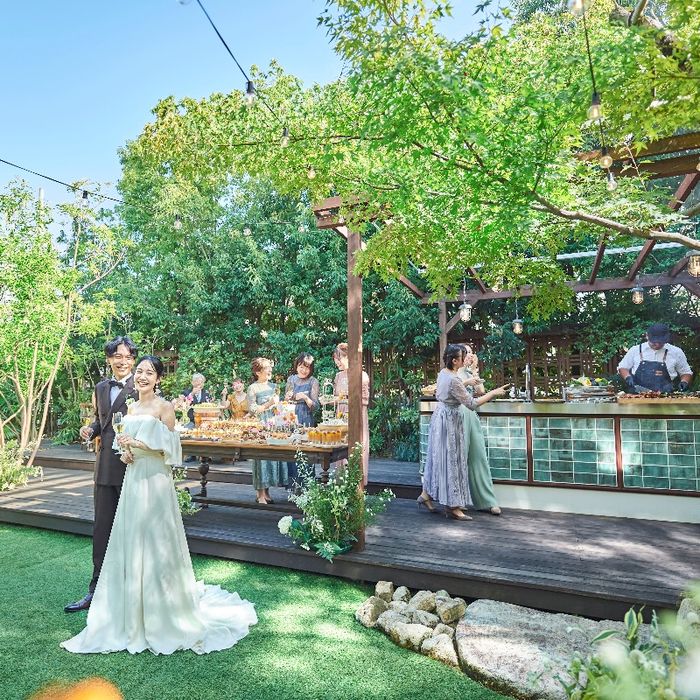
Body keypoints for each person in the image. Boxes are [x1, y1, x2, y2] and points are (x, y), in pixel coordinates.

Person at [61, 355, 257, 654]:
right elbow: (122, 445)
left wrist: (140, 445)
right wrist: (126, 453)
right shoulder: (130, 408)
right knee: (132, 537)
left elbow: (172, 450)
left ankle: (162, 608)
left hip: (155, 481)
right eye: (139, 371)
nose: (142, 376)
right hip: (133, 479)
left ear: (158, 379)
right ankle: (131, 605)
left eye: (149, 372)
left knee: (155, 539)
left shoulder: (165, 407)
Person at [65, 336, 139, 613]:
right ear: (109, 359)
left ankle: (133, 594)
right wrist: (91, 429)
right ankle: (95, 591)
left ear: (133, 360)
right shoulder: (100, 387)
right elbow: (102, 420)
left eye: (128, 357)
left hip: (133, 467)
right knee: (102, 530)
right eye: (117, 356)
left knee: (133, 530)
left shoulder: (142, 385)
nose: (123, 361)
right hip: (105, 467)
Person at [420, 344, 508, 521]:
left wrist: (470, 377)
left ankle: (429, 496)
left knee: (441, 460)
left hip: (441, 419)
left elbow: (452, 387)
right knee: (454, 462)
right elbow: (472, 403)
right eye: (463, 355)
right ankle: (453, 507)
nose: (466, 357)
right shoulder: (453, 379)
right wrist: (494, 393)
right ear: (455, 360)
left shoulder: (443, 373)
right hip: (451, 421)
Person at [458, 344, 501, 516]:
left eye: (471, 352)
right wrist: (467, 379)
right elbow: (449, 388)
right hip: (457, 416)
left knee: (479, 457)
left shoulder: (469, 373)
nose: (469, 355)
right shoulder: (453, 372)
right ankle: (455, 502)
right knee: (458, 459)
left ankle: (487, 501)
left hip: (471, 415)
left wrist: (475, 370)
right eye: (466, 352)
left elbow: (481, 391)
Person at [247, 357, 287, 504]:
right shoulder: (253, 388)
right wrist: (268, 404)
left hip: (273, 424)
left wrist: (280, 406)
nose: (270, 370)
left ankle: (267, 491)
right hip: (260, 425)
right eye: (266, 368)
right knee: (260, 458)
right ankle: (260, 494)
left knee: (270, 457)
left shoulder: (274, 386)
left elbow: (278, 407)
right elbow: (252, 409)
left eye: (270, 367)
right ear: (258, 372)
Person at [618, 323, 693, 394]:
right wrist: (627, 377)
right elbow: (623, 367)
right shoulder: (635, 350)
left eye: (660, 342)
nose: (657, 345)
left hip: (666, 396)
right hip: (637, 395)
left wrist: (684, 382)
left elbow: (686, 372)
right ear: (647, 336)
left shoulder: (676, 352)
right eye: (654, 342)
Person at [285, 353, 320, 488]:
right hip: (292, 418)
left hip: (306, 418)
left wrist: (305, 398)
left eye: (307, 367)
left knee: (306, 452)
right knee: (291, 451)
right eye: (301, 366)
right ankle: (293, 486)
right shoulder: (291, 379)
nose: (304, 370)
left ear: (311, 369)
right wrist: (290, 397)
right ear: (296, 366)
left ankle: (307, 486)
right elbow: (286, 400)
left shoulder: (313, 381)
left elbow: (315, 406)